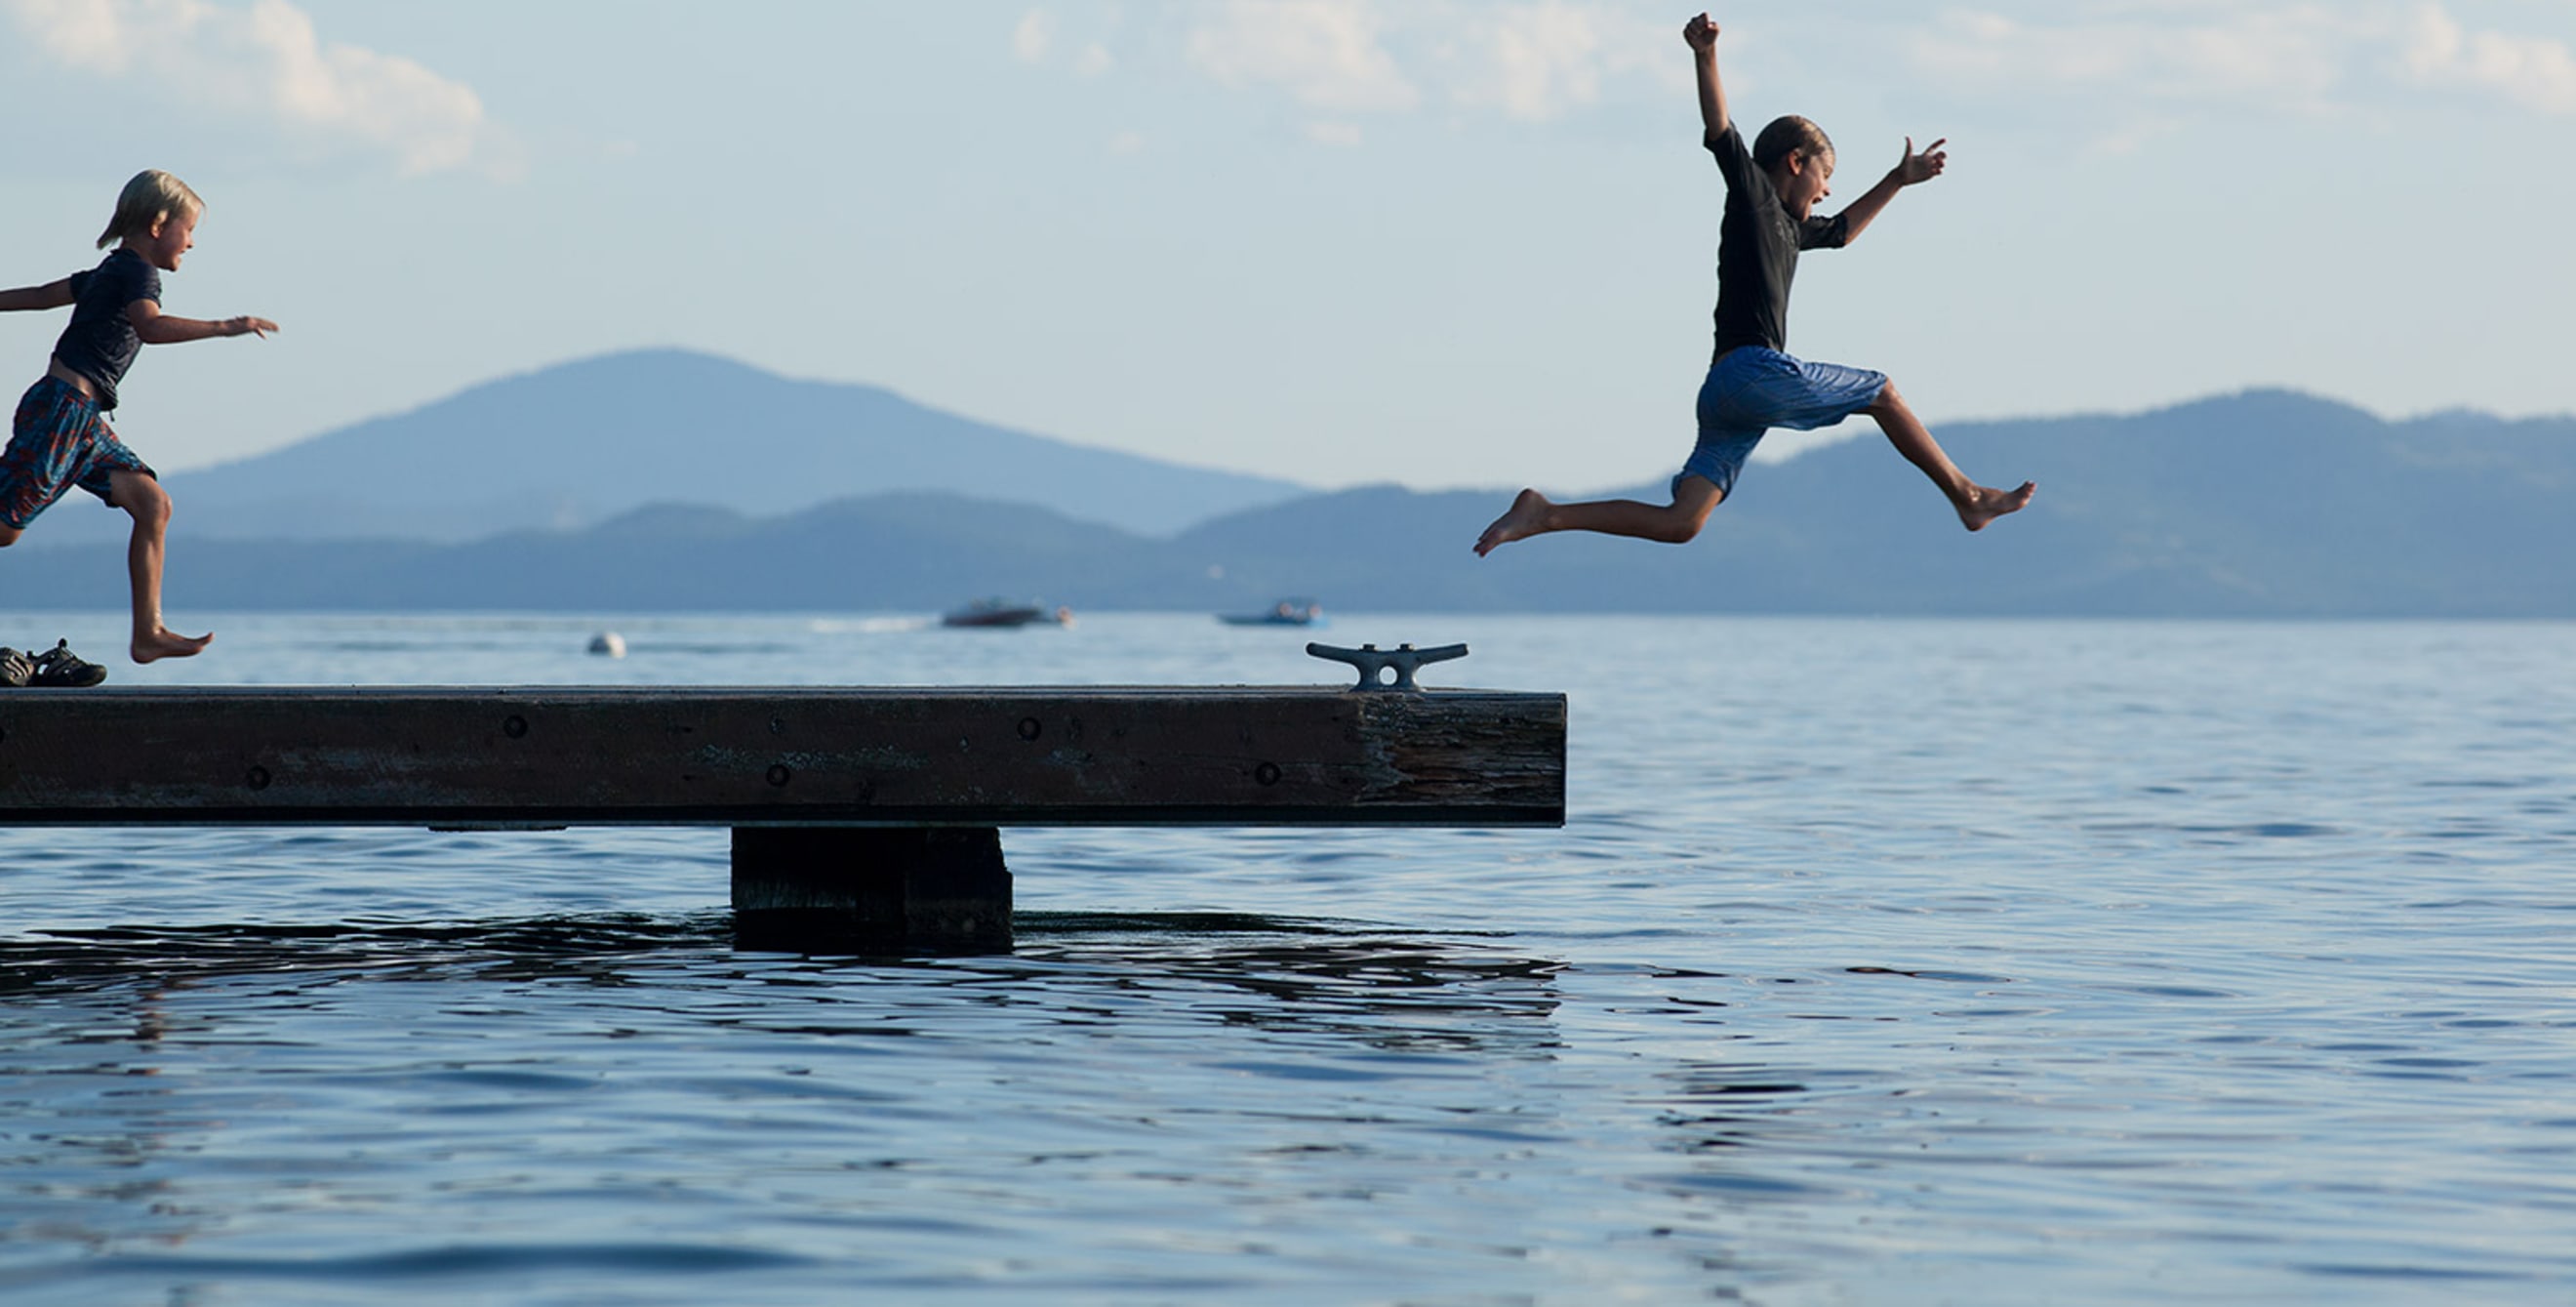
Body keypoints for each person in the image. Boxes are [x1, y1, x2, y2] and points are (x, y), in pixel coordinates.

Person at [1475, 13, 2033, 558]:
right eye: (1824, 178)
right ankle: (1968, 495)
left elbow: (1839, 234)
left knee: (1681, 523)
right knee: (1882, 391)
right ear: (1795, 162)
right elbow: (1720, 131)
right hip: (1752, 374)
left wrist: (1896, 180)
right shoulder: (1754, 199)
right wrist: (1706, 55)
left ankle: (1545, 514)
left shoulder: (1789, 228)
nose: (1826, 193)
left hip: (1725, 393)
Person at [0, 169, 276, 663]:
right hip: (64, 413)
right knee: (4, 528)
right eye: (188, 230)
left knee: (153, 505)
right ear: (158, 224)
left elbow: (43, 296)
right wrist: (224, 326)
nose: (190, 243)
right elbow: (148, 326)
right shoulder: (136, 274)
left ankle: (147, 633)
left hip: (82, 417)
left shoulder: (110, 271)